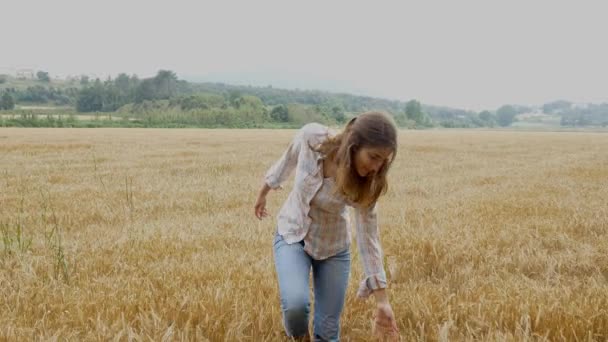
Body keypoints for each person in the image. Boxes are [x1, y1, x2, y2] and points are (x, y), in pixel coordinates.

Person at [254, 112, 400, 341]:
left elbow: (369, 239)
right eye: (374, 157)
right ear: (354, 144)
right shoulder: (312, 139)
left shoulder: (368, 185)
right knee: (295, 307)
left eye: (384, 161)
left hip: (333, 247)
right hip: (293, 233)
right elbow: (287, 161)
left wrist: (382, 301)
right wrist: (263, 192)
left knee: (328, 330)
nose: (377, 167)